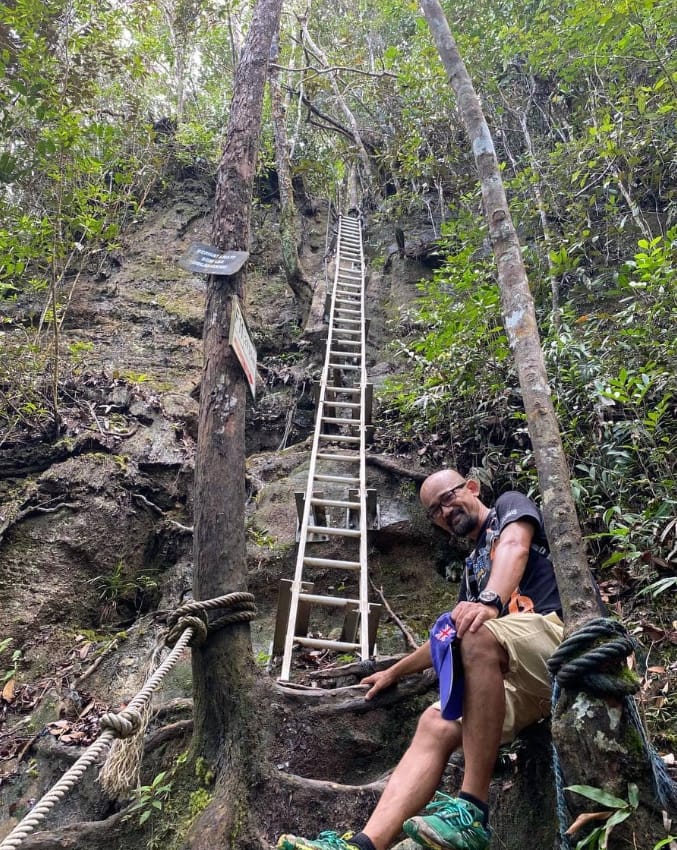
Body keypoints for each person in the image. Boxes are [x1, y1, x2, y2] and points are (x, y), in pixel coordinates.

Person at [277, 469, 565, 850]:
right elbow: (447, 639)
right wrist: (393, 672)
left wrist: (491, 601)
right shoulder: (471, 572)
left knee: (476, 633)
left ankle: (472, 813)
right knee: (436, 720)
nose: (445, 512)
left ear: (472, 488)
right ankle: (363, 845)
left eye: (448, 498)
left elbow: (515, 546)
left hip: (555, 642)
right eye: (434, 511)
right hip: (519, 679)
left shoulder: (507, 508)